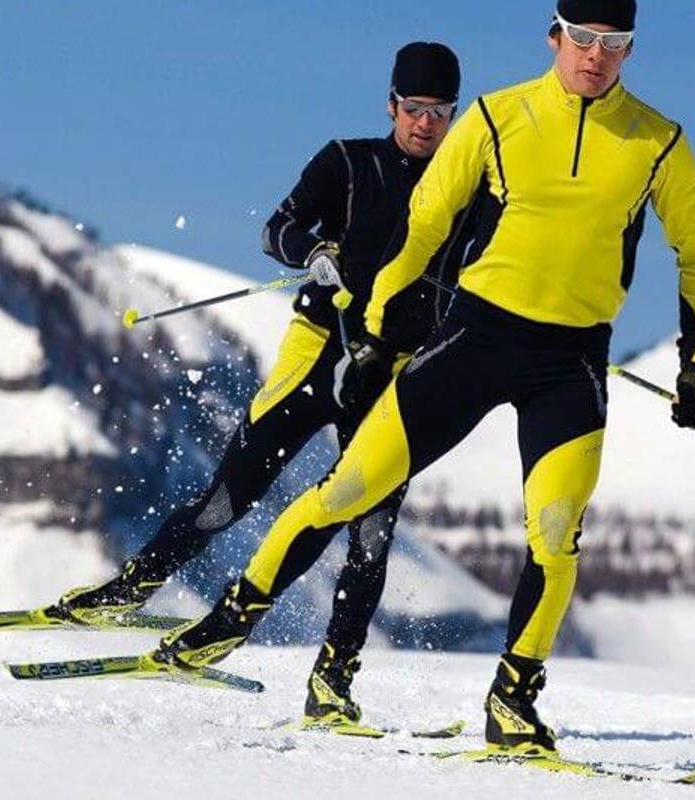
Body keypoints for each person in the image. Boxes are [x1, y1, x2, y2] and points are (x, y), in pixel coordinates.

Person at [150, 0, 695, 757]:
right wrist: (376, 334)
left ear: (629, 51)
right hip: (476, 338)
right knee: (350, 488)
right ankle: (228, 621)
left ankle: (513, 700)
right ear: (555, 37)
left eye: (614, 44)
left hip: (571, 362)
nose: (596, 56)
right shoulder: (495, 118)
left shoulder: (657, 141)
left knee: (555, 536)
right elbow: (426, 221)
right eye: (583, 38)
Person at [49, 42, 475, 725]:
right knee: (236, 488)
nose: (427, 125)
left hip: (393, 371)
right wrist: (315, 252)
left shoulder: (465, 186)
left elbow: (489, 268)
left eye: (442, 112)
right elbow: (277, 228)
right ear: (392, 104)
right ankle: (133, 587)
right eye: (416, 108)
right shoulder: (347, 161)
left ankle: (334, 678)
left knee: (371, 531)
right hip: (318, 353)